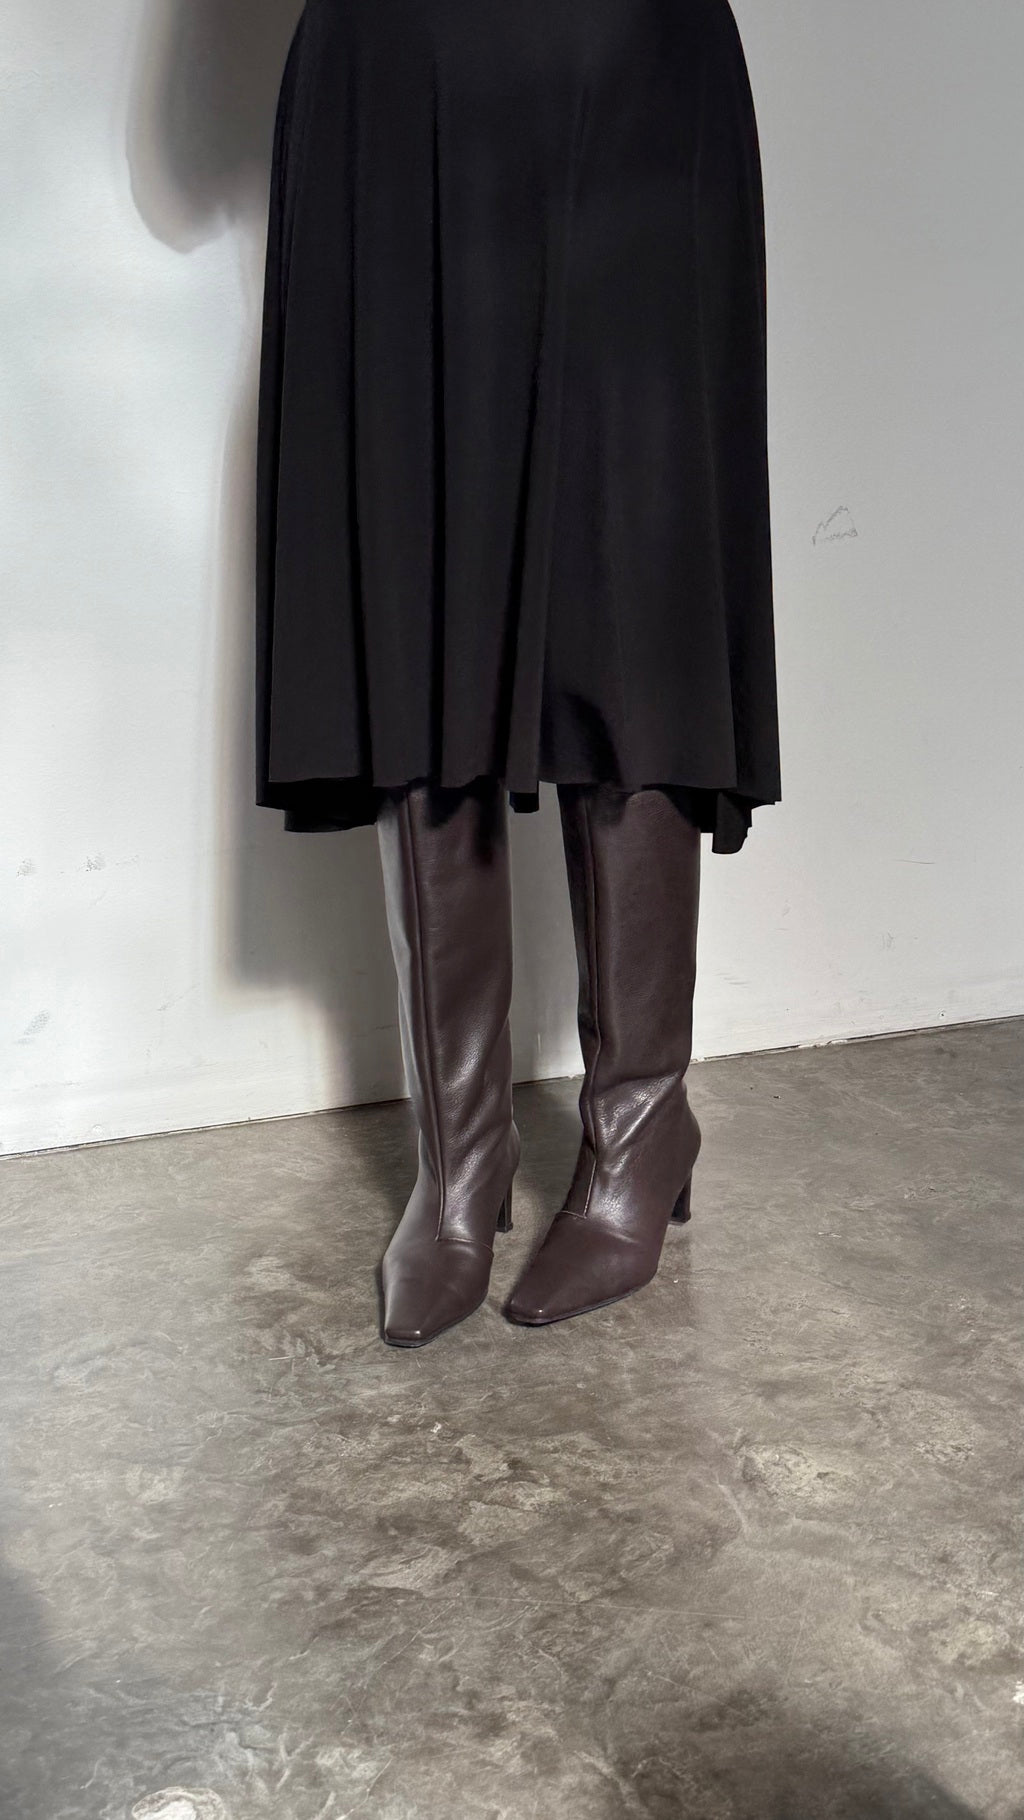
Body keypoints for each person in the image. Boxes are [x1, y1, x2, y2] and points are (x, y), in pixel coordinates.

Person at [254, 0, 781, 1347]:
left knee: (635, 583)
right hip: (394, 91)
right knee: (419, 589)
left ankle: (639, 1133)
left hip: (633, 70)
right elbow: (176, 170)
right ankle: (460, 1164)